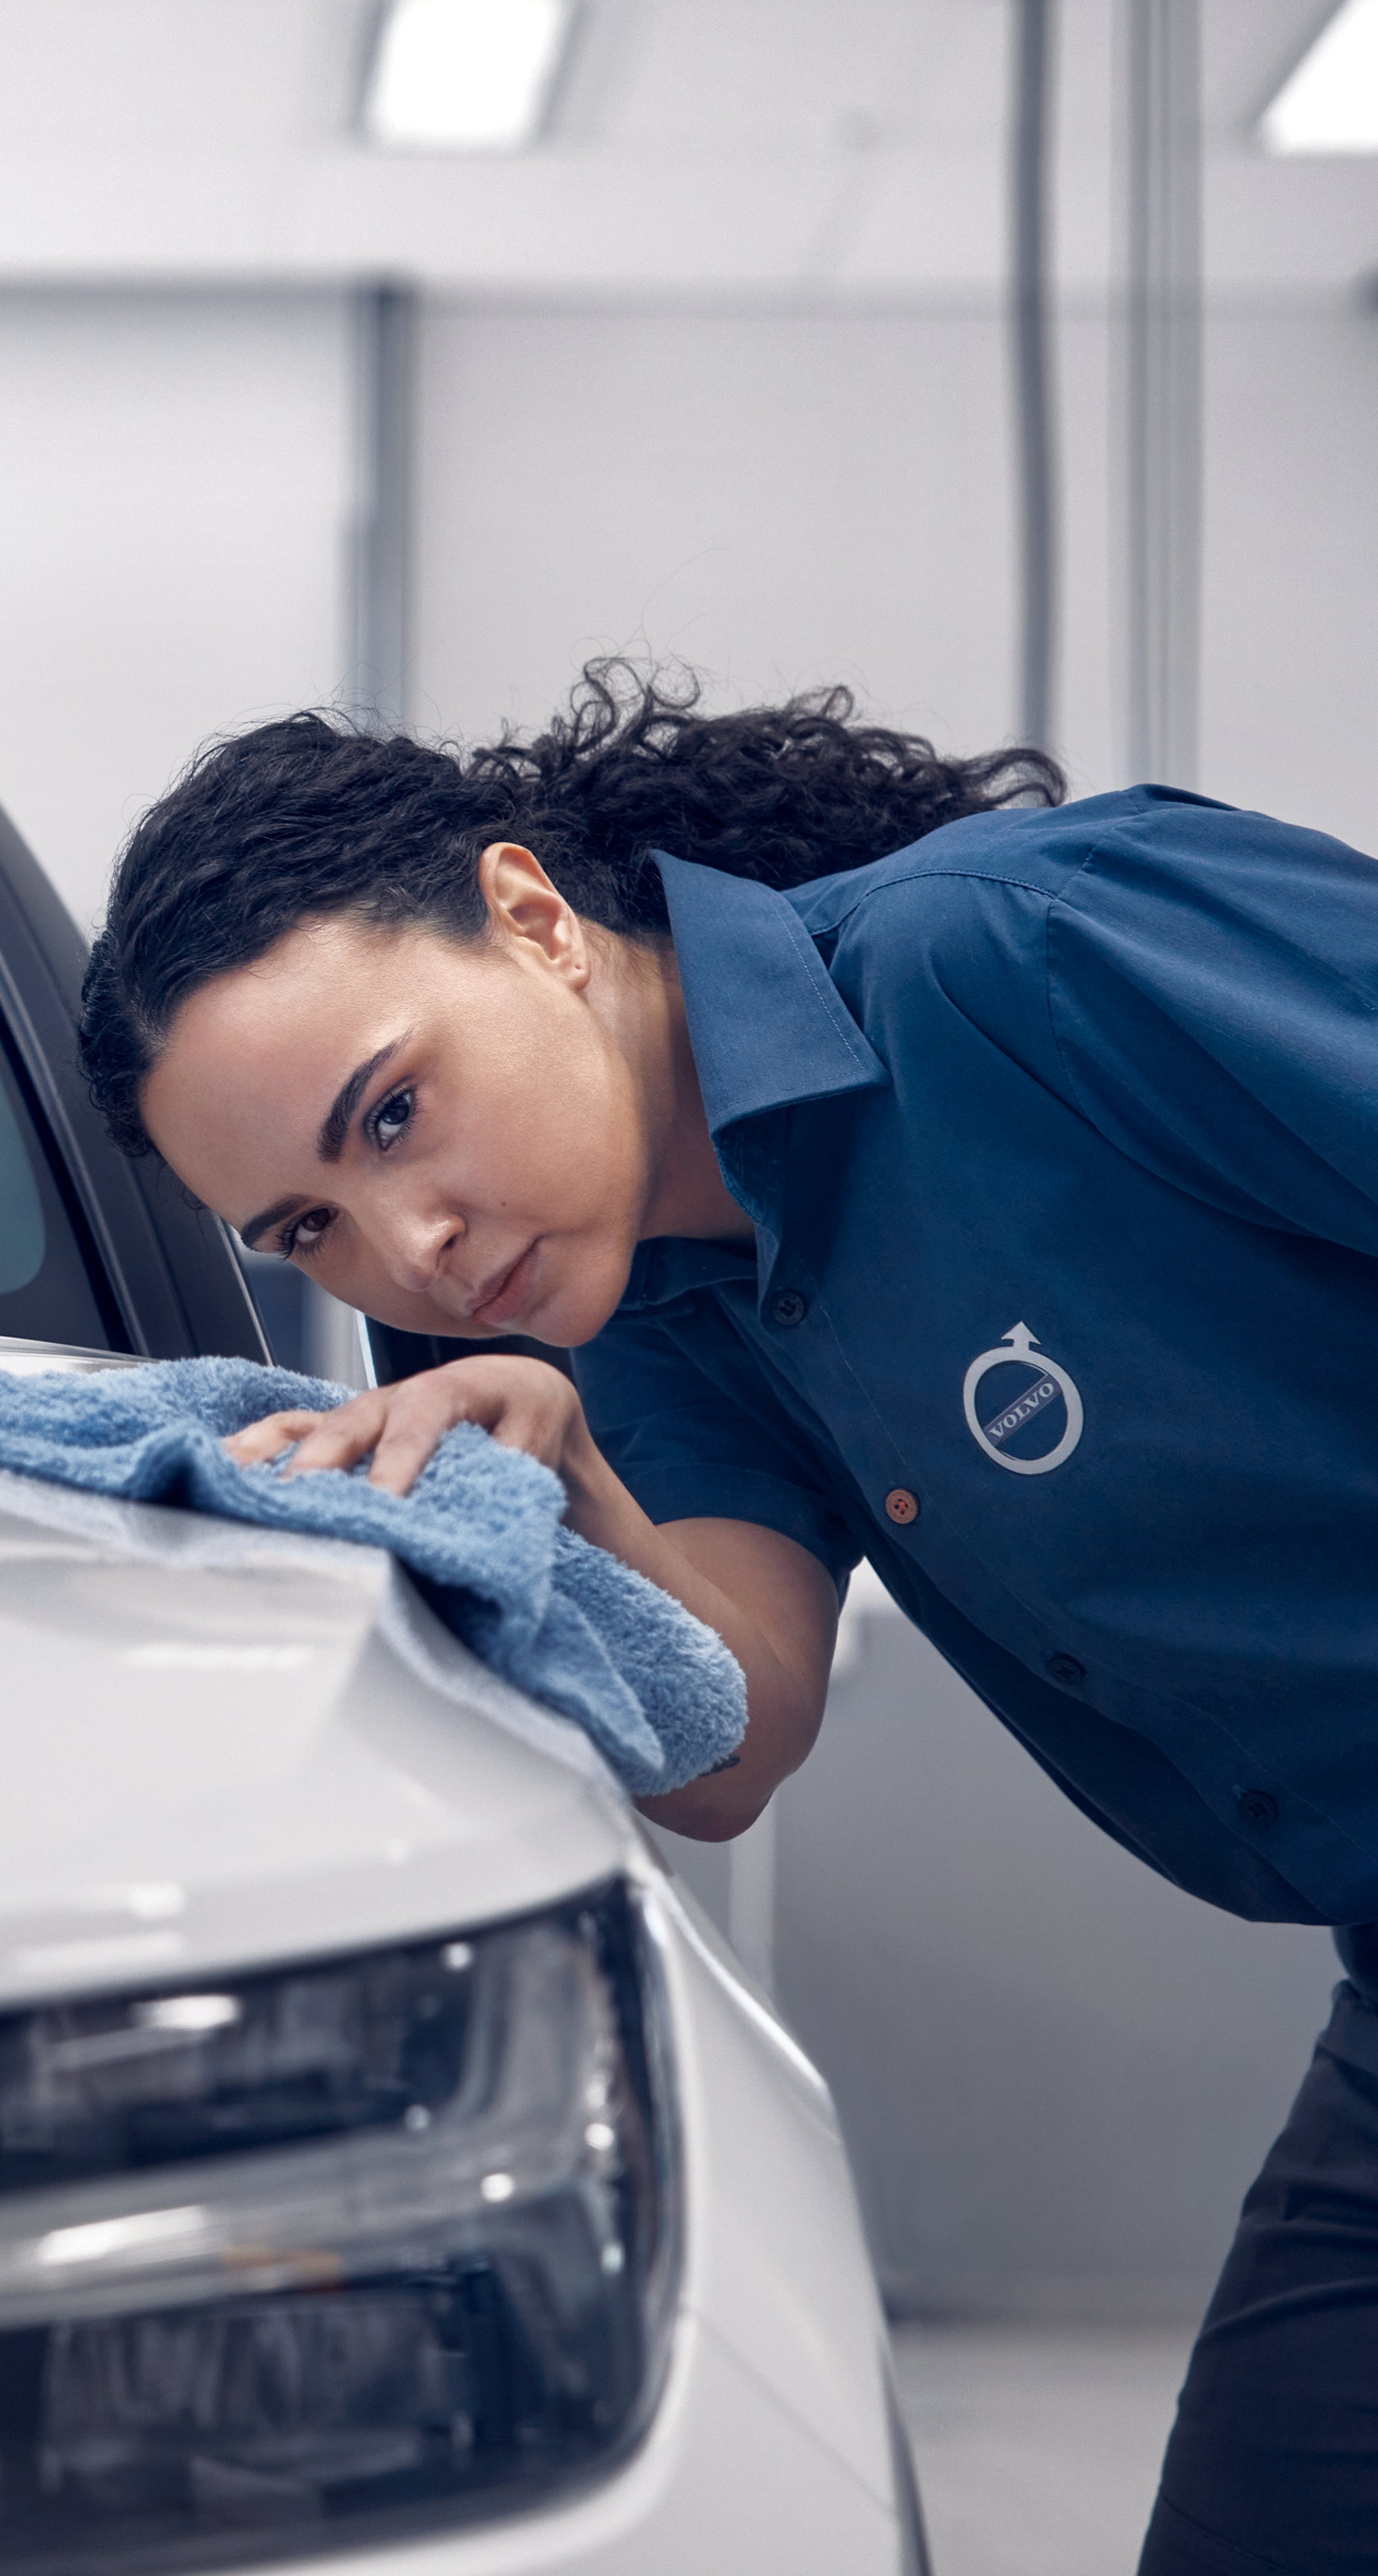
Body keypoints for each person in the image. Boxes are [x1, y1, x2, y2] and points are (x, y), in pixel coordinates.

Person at [76, 663, 1378, 2576]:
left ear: (533, 921)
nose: (406, 1242)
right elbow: (735, 1733)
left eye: (397, 1112)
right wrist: (563, 1487)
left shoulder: (1013, 956)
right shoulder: (611, 1308)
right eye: (309, 1230)